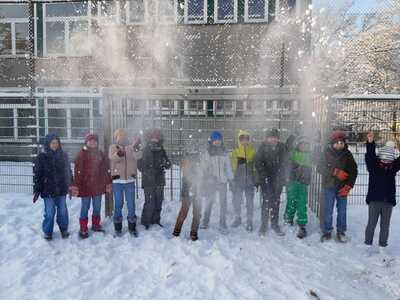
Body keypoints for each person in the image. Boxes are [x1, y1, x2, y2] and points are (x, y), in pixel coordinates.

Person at [317, 130, 358, 243]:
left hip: (342, 188)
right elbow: (319, 167)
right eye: (337, 142)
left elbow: (353, 171)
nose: (339, 144)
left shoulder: (348, 154)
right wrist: (334, 172)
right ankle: (327, 231)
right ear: (332, 143)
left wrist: (348, 186)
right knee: (328, 210)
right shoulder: (326, 153)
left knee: (342, 210)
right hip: (328, 186)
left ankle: (341, 231)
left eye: (341, 142)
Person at [33, 133, 73, 240]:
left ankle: (64, 229)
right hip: (48, 190)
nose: (55, 145)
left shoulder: (63, 155)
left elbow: (68, 172)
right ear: (48, 144)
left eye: (57, 143)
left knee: (63, 211)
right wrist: (37, 190)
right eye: (52, 143)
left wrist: (70, 186)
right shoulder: (42, 157)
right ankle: (47, 231)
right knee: (49, 213)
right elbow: (37, 175)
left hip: (61, 189)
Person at [71, 133, 112, 239]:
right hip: (85, 186)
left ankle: (95, 225)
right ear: (86, 142)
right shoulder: (82, 154)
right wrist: (76, 185)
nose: (92, 142)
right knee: (85, 207)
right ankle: (83, 228)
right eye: (90, 141)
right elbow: (78, 171)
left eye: (94, 141)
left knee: (97, 207)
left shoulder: (100, 154)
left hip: (98, 186)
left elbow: (105, 170)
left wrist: (107, 182)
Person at [364, 131, 400, 249]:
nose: (386, 162)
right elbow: (370, 156)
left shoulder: (392, 168)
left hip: (388, 201)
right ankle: (367, 244)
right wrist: (370, 143)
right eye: (384, 159)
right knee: (371, 223)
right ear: (380, 158)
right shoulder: (373, 167)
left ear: (392, 160)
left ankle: (382, 245)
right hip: (374, 200)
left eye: (389, 160)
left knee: (385, 226)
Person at [255, 128, 291, 236]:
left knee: (276, 202)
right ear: (266, 138)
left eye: (275, 137)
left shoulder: (282, 148)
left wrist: (283, 177)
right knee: (266, 201)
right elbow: (258, 163)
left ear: (278, 138)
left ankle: (274, 223)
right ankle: (264, 224)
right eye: (270, 137)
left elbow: (286, 162)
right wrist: (263, 176)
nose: (272, 139)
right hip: (266, 179)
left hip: (278, 179)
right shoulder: (262, 148)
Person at [109, 129, 142, 236]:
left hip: (129, 180)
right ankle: (118, 227)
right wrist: (119, 153)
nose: (121, 137)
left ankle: (132, 227)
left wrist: (136, 147)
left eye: (123, 135)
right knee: (118, 204)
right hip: (117, 181)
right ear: (116, 137)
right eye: (119, 136)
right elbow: (112, 158)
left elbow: (138, 156)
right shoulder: (113, 147)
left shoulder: (131, 147)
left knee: (131, 204)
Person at [200, 131, 234, 233]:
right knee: (209, 201)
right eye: (215, 140)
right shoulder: (208, 153)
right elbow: (203, 167)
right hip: (211, 181)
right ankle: (205, 220)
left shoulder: (224, 152)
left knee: (223, 203)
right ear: (212, 141)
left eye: (219, 140)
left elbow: (227, 167)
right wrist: (204, 178)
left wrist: (231, 179)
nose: (217, 142)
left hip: (222, 181)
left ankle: (223, 222)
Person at [138, 128, 171, 230]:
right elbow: (140, 165)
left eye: (157, 137)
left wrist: (166, 164)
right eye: (153, 137)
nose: (155, 139)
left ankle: (156, 220)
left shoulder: (162, 150)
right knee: (149, 202)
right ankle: (145, 222)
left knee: (158, 201)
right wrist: (147, 171)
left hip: (159, 180)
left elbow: (168, 163)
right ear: (149, 138)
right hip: (148, 181)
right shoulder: (145, 150)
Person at [284, 136, 312, 239]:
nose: (304, 146)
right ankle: (288, 218)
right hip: (293, 182)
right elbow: (287, 158)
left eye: (306, 144)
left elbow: (317, 159)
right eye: (302, 144)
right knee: (291, 200)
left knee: (302, 202)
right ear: (298, 145)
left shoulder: (310, 155)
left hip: (303, 183)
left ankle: (302, 223)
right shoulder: (293, 153)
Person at [173, 149, 202, 241]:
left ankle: (194, 232)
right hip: (187, 191)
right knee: (184, 212)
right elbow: (187, 175)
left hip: (198, 191)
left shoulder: (200, 163)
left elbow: (203, 175)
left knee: (197, 213)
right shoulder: (186, 163)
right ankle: (176, 231)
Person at [230, 130, 256, 231]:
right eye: (242, 139)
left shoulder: (253, 151)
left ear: (249, 140)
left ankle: (249, 220)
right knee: (237, 200)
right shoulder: (235, 152)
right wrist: (232, 181)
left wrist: (256, 179)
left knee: (250, 201)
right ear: (239, 140)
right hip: (238, 181)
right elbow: (232, 167)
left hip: (249, 181)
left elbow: (255, 167)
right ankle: (238, 217)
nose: (244, 141)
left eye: (246, 139)